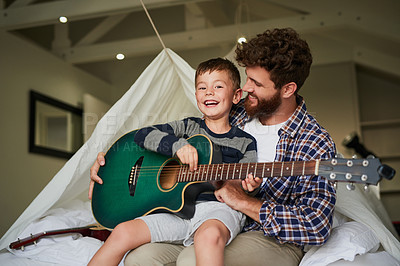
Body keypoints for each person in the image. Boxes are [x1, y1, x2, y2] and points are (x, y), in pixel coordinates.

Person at [122, 27, 337, 265]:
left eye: (256, 83)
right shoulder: (233, 112)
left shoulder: (314, 141)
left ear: (287, 89)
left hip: (268, 237)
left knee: (190, 260)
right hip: (203, 219)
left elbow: (316, 225)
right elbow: (170, 142)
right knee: (139, 258)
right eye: (247, 78)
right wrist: (115, 167)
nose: (245, 88)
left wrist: (244, 201)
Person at [88, 58, 257, 266]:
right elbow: (143, 135)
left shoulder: (246, 142)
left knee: (208, 236)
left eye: (218, 86)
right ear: (196, 95)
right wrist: (177, 146)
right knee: (123, 231)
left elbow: (247, 185)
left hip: (217, 210)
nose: (209, 92)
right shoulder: (188, 127)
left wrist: (249, 185)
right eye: (202, 87)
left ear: (237, 95)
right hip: (175, 210)